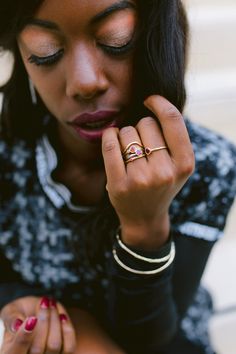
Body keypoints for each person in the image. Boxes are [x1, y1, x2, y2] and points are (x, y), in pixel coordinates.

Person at [0, 0, 235, 353]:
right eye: (45, 52)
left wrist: (145, 228)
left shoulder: (208, 165)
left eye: (117, 42)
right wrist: (19, 302)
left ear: (159, 39)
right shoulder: (8, 153)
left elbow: (151, 339)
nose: (84, 83)